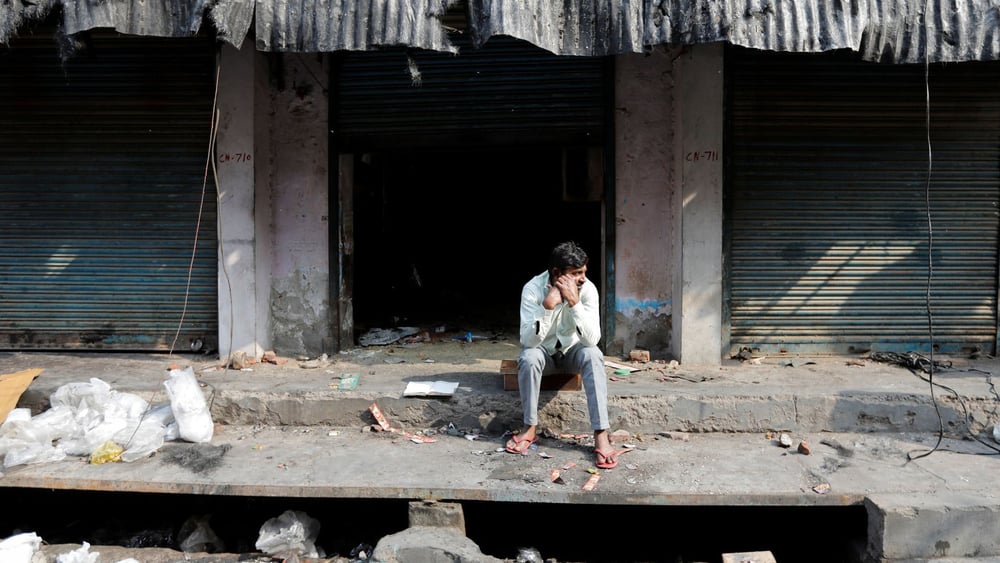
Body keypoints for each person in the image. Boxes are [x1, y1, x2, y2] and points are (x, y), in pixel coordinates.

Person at [505, 241, 628, 469]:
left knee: (593, 354)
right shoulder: (532, 289)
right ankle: (529, 427)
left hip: (573, 353)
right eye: (575, 273)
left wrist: (574, 303)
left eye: (584, 272)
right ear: (556, 273)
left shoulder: (587, 289)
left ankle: (601, 434)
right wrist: (547, 308)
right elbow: (528, 342)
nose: (582, 278)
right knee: (528, 358)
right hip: (544, 354)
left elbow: (592, 340)